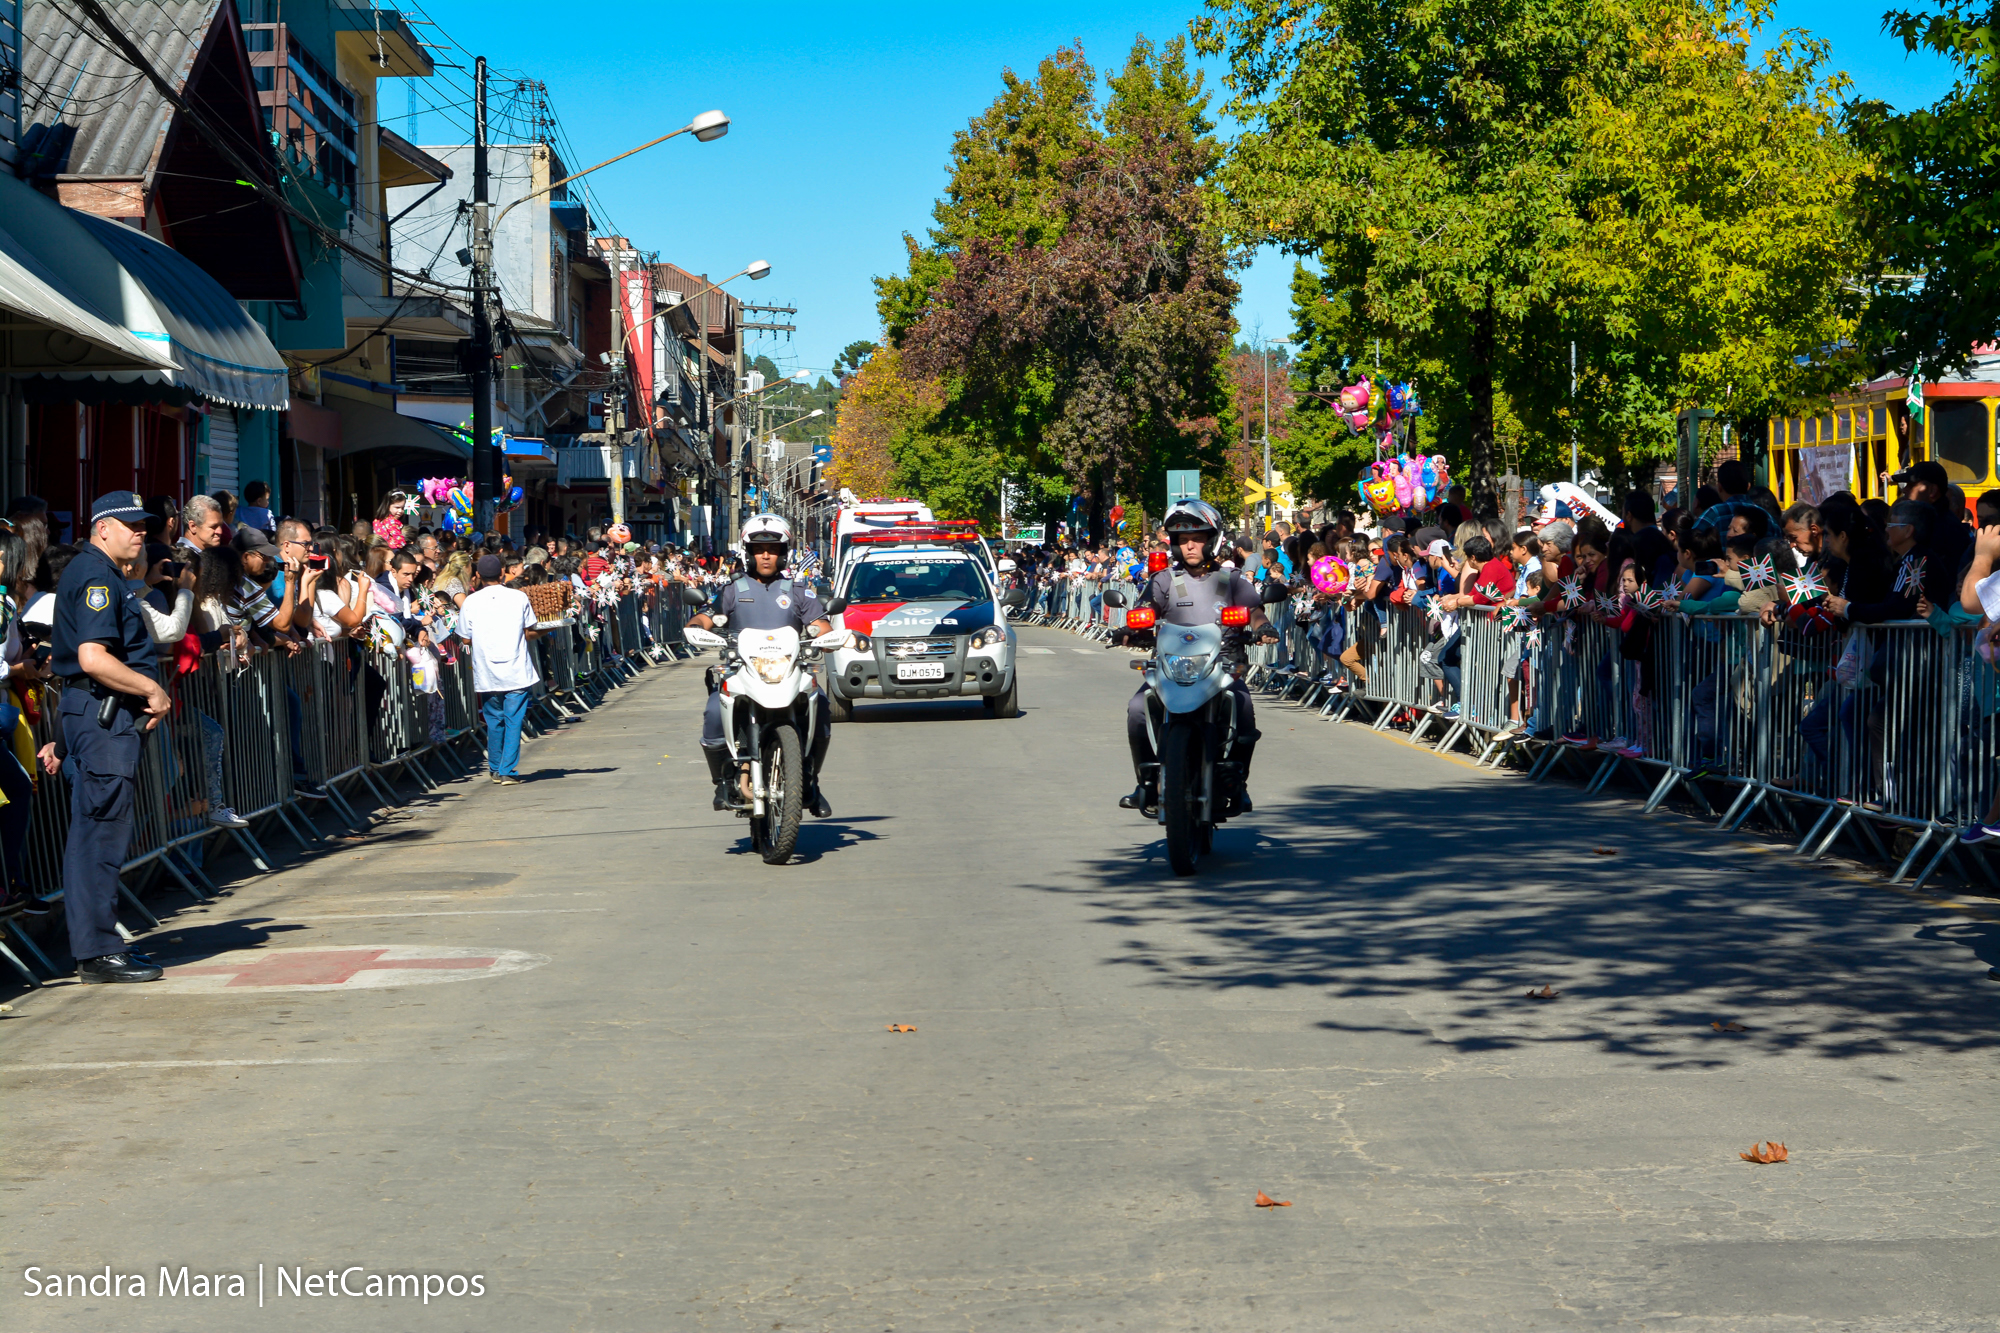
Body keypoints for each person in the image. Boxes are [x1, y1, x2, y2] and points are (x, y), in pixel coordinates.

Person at [50, 493, 173, 982]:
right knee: (98, 838)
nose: (140, 533)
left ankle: (100, 943)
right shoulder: (97, 576)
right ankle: (98, 951)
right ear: (103, 529)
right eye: (130, 526)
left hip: (99, 719)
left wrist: (62, 741)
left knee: (101, 834)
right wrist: (152, 689)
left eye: (144, 526)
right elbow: (91, 660)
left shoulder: (103, 574)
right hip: (103, 721)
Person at [1120, 499, 1269, 817]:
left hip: (1222, 667)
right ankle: (1146, 782)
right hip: (1169, 669)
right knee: (1136, 710)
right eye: (1182, 539)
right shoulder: (1163, 581)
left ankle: (1237, 781)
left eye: (1197, 538)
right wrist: (1131, 627)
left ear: (1212, 540)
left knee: (1243, 707)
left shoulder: (1232, 581)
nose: (1189, 545)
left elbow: (1255, 611)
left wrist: (1263, 627)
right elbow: (1146, 610)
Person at [687, 513, 834, 818]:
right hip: (743, 671)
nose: (766, 555)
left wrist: (827, 635)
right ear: (748, 552)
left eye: (773, 549)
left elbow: (821, 625)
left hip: (789, 671)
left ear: (784, 552)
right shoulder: (732, 591)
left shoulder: (799, 593)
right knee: (715, 708)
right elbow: (707, 616)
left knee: (819, 701)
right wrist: (696, 626)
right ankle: (722, 781)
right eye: (758, 549)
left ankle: (810, 781)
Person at [459, 554, 540, 784]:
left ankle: (495, 768)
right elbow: (529, 628)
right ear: (502, 573)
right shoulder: (518, 597)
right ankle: (506, 770)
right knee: (514, 721)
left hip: (487, 671)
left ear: (478, 576)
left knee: (495, 721)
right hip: (515, 668)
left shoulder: (471, 602)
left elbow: (465, 639)